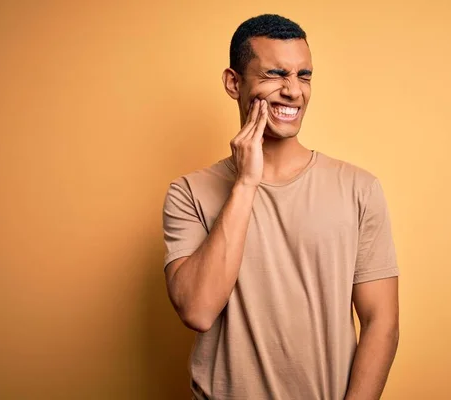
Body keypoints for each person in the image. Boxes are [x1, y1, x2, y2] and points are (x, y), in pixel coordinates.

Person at [162, 14, 400, 400]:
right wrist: (245, 182)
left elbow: (381, 323)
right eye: (275, 74)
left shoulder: (359, 189)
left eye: (303, 76)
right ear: (233, 83)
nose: (294, 91)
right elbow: (198, 310)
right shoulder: (188, 193)